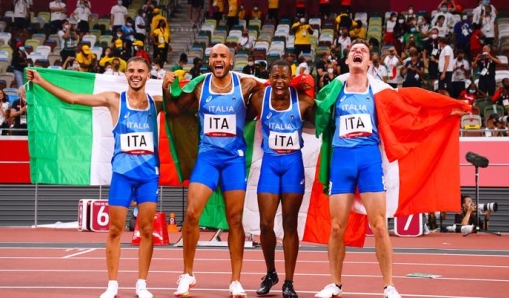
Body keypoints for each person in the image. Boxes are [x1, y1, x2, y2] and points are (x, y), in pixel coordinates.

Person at [26, 57, 162, 298]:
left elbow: (186, 102)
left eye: (141, 70)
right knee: (115, 230)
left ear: (148, 75)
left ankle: (142, 284)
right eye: (131, 70)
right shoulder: (113, 99)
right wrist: (42, 81)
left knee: (147, 229)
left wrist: (174, 84)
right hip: (122, 174)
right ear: (125, 74)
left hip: (148, 176)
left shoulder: (156, 102)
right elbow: (74, 98)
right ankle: (112, 284)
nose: (136, 74)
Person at [162, 44, 266, 298]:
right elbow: (175, 110)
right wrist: (166, 89)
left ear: (231, 61)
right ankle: (187, 275)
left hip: (233, 159)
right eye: (214, 57)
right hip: (208, 158)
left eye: (223, 56)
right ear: (210, 62)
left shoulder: (246, 85)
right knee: (191, 214)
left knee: (235, 220)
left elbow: (267, 97)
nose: (218, 60)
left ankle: (235, 281)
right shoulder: (200, 86)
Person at [314, 39, 402, 298]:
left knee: (379, 225)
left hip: (369, 160)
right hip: (341, 159)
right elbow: (316, 110)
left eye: (363, 51)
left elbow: (408, 110)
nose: (358, 52)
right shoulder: (334, 89)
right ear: (347, 59)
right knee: (337, 227)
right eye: (354, 50)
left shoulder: (380, 91)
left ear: (370, 62)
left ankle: (389, 285)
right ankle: (335, 284)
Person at [248, 60, 314, 298]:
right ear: (270, 77)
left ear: (291, 78)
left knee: (289, 224)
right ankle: (271, 272)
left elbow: (322, 122)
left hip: (293, 166)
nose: (279, 82)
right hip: (270, 164)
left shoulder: (304, 102)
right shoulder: (259, 100)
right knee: (265, 225)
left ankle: (289, 281)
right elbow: (240, 114)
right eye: (275, 77)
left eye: (284, 77)